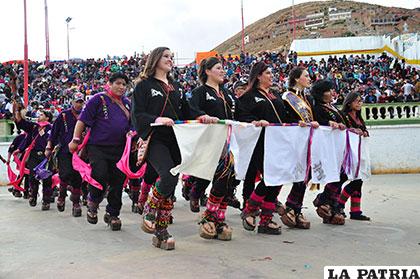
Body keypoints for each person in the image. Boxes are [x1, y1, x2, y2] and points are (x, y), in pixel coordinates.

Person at [131, 47, 204, 250]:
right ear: (155, 59)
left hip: (176, 139)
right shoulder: (143, 85)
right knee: (168, 175)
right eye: (166, 56)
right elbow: (137, 114)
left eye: (172, 57)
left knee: (171, 184)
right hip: (155, 138)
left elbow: (186, 109)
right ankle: (149, 208)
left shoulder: (175, 86)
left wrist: (200, 116)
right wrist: (156, 119)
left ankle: (161, 231)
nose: (170, 60)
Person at [69, 72, 131, 231]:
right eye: (118, 83)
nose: (121, 87)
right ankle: (93, 202)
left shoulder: (128, 103)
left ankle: (113, 214)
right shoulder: (98, 99)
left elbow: (133, 125)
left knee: (118, 183)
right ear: (109, 84)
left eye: (124, 84)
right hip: (98, 148)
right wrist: (75, 140)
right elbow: (82, 121)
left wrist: (134, 136)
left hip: (120, 149)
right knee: (100, 175)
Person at [236, 61, 287, 235]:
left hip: (279, 142)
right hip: (260, 142)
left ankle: (266, 219)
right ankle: (250, 208)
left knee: (277, 178)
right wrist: (254, 122)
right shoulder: (248, 96)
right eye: (267, 73)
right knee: (270, 177)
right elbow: (241, 116)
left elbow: (284, 116)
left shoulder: (275, 96)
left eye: (271, 73)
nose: (271, 76)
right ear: (258, 76)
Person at [189, 57, 236, 240]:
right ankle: (209, 214)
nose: (223, 71)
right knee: (222, 174)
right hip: (209, 141)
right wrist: (202, 115)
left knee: (229, 178)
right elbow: (191, 110)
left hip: (229, 141)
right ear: (208, 71)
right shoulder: (200, 92)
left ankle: (219, 216)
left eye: (223, 68)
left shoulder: (227, 94)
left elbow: (238, 113)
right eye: (218, 68)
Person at [280, 66, 319, 229]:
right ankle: (289, 206)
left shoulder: (308, 98)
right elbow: (283, 118)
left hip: (307, 141)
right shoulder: (287, 97)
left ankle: (295, 207)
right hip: (292, 141)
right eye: (306, 76)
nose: (309, 78)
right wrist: (297, 123)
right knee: (295, 173)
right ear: (296, 78)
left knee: (305, 173)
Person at [310, 79, 347, 225]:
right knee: (336, 175)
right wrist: (328, 123)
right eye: (328, 90)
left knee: (342, 174)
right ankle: (326, 200)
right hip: (327, 147)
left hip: (338, 147)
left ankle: (330, 204)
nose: (332, 92)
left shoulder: (332, 107)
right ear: (321, 93)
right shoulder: (318, 108)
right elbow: (319, 122)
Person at [46, 92, 85, 217]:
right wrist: (49, 146)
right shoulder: (63, 115)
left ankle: (76, 204)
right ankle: (62, 196)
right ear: (72, 102)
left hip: (81, 152)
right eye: (77, 101)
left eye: (81, 102)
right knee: (65, 174)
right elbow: (54, 133)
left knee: (77, 178)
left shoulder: (87, 115)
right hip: (64, 151)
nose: (79, 104)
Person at [337, 92, 370, 221]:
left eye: (360, 101)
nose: (359, 103)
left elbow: (364, 129)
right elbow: (342, 131)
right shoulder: (344, 116)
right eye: (357, 101)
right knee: (347, 178)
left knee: (358, 180)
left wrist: (365, 132)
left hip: (359, 152)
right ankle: (340, 204)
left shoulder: (358, 117)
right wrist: (353, 131)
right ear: (349, 103)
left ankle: (354, 210)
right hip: (348, 153)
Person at [13, 103, 53, 210]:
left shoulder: (52, 128)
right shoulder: (34, 127)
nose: (38, 116)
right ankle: (33, 196)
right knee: (32, 177)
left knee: (47, 179)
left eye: (41, 115)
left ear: (47, 117)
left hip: (47, 156)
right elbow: (21, 123)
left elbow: (56, 142)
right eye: (39, 115)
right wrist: (17, 111)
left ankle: (46, 201)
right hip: (35, 155)